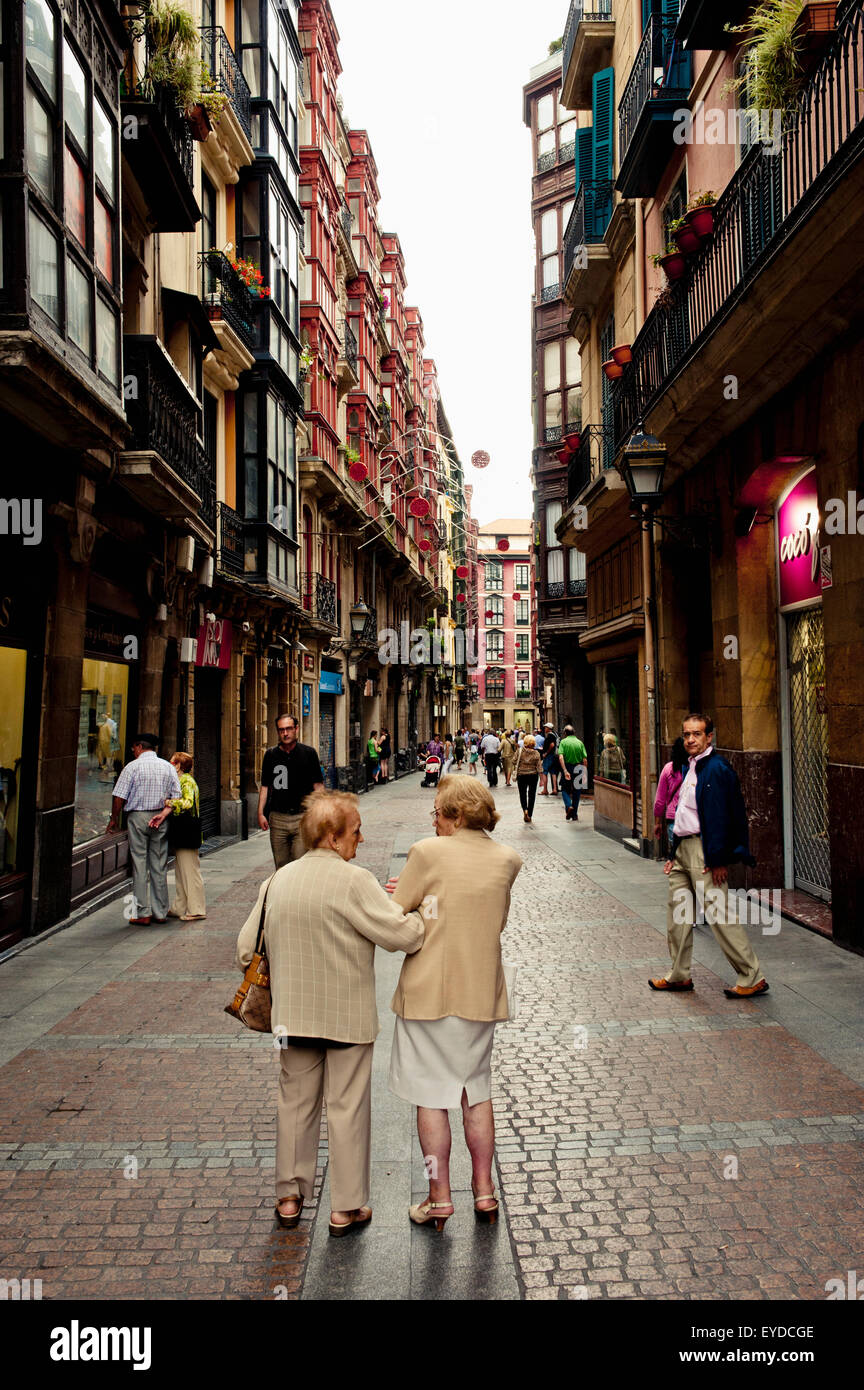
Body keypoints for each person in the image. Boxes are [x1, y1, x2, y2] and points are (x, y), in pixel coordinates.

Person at [237, 791, 425, 1237]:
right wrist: (420, 910)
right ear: (332, 837)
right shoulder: (355, 881)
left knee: (295, 1104)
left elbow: (246, 949)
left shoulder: (276, 882)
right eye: (355, 830)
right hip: (346, 1016)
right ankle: (345, 1207)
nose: (362, 837)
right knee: (347, 1108)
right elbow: (404, 936)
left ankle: (289, 1198)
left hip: (292, 1016)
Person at [387, 777, 523, 1230]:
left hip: (430, 993)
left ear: (456, 815)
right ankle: (484, 1191)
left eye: (438, 813)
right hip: (481, 992)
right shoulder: (507, 859)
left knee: (431, 1098)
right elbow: (489, 918)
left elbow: (399, 914)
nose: (435, 821)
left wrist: (406, 897)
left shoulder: (427, 852)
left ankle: (439, 1196)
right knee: (475, 1092)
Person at [650, 713, 768, 999]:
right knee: (678, 914)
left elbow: (724, 818)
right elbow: (684, 813)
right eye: (686, 734)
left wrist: (718, 860)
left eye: (697, 734)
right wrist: (674, 852)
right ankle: (679, 975)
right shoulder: (691, 767)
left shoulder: (716, 769)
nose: (690, 739)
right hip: (683, 850)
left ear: (709, 737)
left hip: (705, 851)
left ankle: (752, 976)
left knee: (719, 914)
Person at [106, 733, 180, 924]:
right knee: (159, 863)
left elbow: (119, 797)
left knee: (139, 864)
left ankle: (142, 912)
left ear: (139, 746)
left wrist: (114, 819)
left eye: (134, 747)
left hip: (138, 817)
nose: (133, 750)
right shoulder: (167, 767)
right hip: (160, 817)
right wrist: (164, 813)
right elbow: (176, 797)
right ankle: (160, 911)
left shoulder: (132, 767)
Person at [258, 714, 324, 868]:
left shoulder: (309, 753)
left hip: (302, 817)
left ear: (296, 729)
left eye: (288, 729)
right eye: (281, 730)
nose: (285, 733)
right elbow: (265, 786)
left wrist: (321, 813)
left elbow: (318, 786)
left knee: (299, 864)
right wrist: (261, 813)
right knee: (280, 866)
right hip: (278, 818)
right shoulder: (270, 755)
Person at [148, 751, 206, 921]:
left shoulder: (187, 781)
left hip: (187, 830)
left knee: (190, 871)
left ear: (179, 766)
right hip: (183, 831)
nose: (170, 764)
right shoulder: (181, 780)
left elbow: (187, 803)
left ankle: (197, 909)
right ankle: (179, 906)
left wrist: (169, 802)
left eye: (173, 762)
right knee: (182, 871)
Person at [653, 736, 687, 857]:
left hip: (673, 819)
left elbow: (659, 801)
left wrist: (657, 822)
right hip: (694, 822)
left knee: (677, 857)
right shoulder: (696, 768)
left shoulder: (669, 769)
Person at [558, 725, 588, 822]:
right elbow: (584, 759)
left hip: (568, 766)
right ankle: (574, 814)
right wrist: (584, 773)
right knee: (577, 791)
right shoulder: (580, 743)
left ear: (565, 733)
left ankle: (568, 806)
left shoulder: (563, 742)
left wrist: (565, 770)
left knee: (564, 789)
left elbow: (561, 757)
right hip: (579, 767)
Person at [514, 734, 542, 824]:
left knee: (522, 794)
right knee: (532, 795)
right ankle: (529, 814)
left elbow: (513, 761)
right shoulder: (536, 753)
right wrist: (542, 779)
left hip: (521, 775)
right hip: (533, 775)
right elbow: (539, 767)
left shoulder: (519, 751)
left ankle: (525, 810)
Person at [540, 724, 558, 796]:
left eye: (546, 727)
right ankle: (555, 789)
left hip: (549, 756)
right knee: (553, 772)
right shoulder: (554, 735)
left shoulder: (550, 736)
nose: (544, 729)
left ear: (549, 728)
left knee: (545, 772)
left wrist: (546, 753)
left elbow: (552, 745)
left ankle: (545, 790)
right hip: (553, 756)